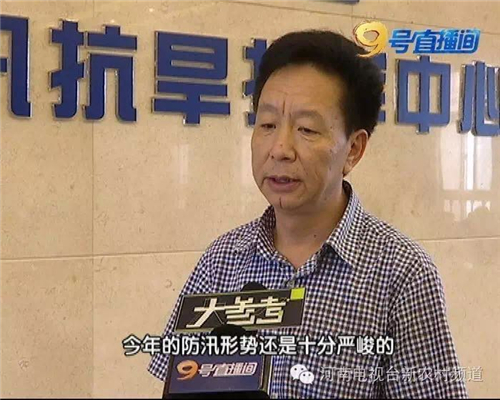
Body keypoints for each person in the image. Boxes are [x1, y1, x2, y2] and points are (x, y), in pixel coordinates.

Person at [148, 30, 468, 399]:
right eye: (267, 125)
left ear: (353, 150)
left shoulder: (403, 274)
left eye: (307, 129)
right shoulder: (221, 262)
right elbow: (181, 384)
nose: (280, 149)